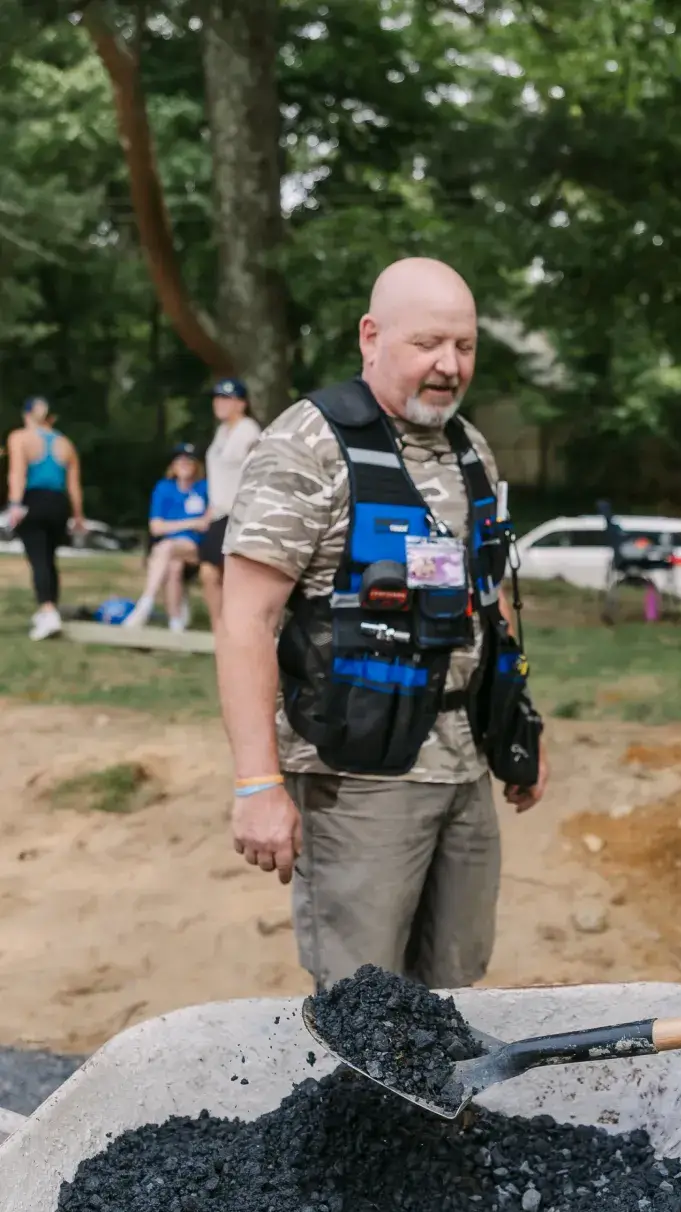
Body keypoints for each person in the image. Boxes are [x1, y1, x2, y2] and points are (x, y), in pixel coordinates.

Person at [219, 256, 548, 994]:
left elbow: (488, 599)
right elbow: (246, 617)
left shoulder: (469, 447)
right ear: (371, 337)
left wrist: (519, 729)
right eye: (428, 344)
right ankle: (368, 1113)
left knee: (457, 983)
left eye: (464, 346)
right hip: (357, 774)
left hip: (463, 766)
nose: (449, 365)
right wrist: (256, 783)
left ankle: (441, 1116)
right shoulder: (308, 446)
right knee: (366, 1000)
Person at [6, 397, 84, 640]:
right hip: (59, 504)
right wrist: (78, 516)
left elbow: (17, 473)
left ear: (27, 415)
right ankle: (50, 609)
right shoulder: (66, 443)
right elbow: (74, 487)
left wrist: (15, 505)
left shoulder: (20, 437)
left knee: (38, 558)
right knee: (49, 559)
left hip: (34, 500)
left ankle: (48, 612)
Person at [123, 443, 210, 630]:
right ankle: (175, 620)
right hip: (172, 550)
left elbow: (207, 523)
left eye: (189, 461)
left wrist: (173, 526)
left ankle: (146, 601)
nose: (184, 465)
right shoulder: (164, 488)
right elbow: (155, 527)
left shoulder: (205, 488)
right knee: (173, 566)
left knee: (165, 548)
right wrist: (191, 522)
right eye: (180, 461)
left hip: (195, 548)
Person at [199, 377, 262, 631]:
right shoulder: (222, 432)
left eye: (226, 398)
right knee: (211, 572)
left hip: (239, 513)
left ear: (241, 403)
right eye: (217, 398)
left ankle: (232, 627)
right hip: (219, 513)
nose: (220, 403)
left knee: (224, 573)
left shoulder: (248, 431)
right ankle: (221, 626)